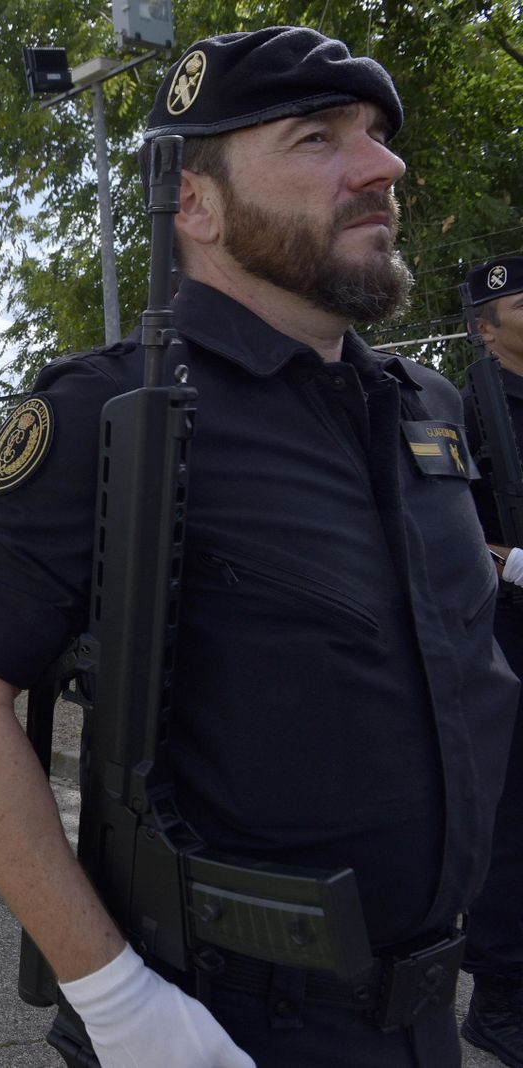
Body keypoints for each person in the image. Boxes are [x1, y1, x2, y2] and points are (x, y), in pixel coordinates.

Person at [0, 28, 516, 1068]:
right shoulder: (116, 412)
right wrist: (112, 995)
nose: (383, 168)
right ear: (195, 204)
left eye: (375, 136)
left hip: (427, 1007)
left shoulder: (428, 402)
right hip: (229, 1024)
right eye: (318, 139)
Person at [460, 252, 523, 1066]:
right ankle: (502, 997)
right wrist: (512, 562)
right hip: (506, 632)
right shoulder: (470, 412)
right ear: (485, 327)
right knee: (513, 818)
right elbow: (439, 530)